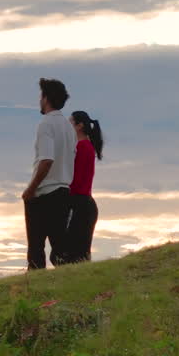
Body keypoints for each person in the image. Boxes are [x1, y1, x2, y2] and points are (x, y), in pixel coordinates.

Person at [22, 78, 77, 269]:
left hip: (45, 192)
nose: (39, 100)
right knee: (60, 249)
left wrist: (31, 189)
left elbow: (46, 160)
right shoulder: (69, 128)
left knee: (36, 251)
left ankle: (36, 291)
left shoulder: (46, 123)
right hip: (63, 191)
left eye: (41, 96)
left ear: (46, 99)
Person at [66, 110, 104, 263]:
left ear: (79, 126)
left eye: (70, 123)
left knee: (76, 254)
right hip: (82, 203)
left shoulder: (82, 147)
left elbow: (76, 178)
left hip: (80, 204)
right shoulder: (85, 146)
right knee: (77, 253)